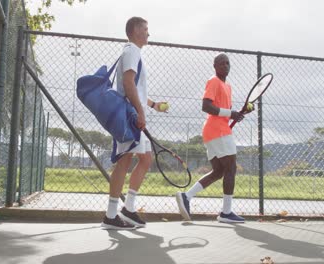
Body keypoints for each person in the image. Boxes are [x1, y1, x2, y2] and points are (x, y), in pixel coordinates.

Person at [101, 17, 168, 230]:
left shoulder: (134, 52)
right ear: (134, 31)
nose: (149, 33)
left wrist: (152, 104)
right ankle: (111, 216)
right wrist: (140, 111)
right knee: (124, 160)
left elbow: (135, 88)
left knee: (146, 159)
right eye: (145, 29)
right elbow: (128, 84)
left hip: (133, 113)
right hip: (129, 115)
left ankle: (128, 210)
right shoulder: (130, 50)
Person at [176, 53, 249, 223]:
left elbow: (224, 111)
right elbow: (206, 106)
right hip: (218, 131)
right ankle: (226, 212)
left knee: (219, 171)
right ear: (215, 66)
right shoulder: (213, 81)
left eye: (228, 63)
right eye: (222, 63)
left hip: (215, 131)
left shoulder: (228, 87)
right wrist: (231, 113)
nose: (225, 66)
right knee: (231, 169)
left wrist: (238, 114)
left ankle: (186, 197)